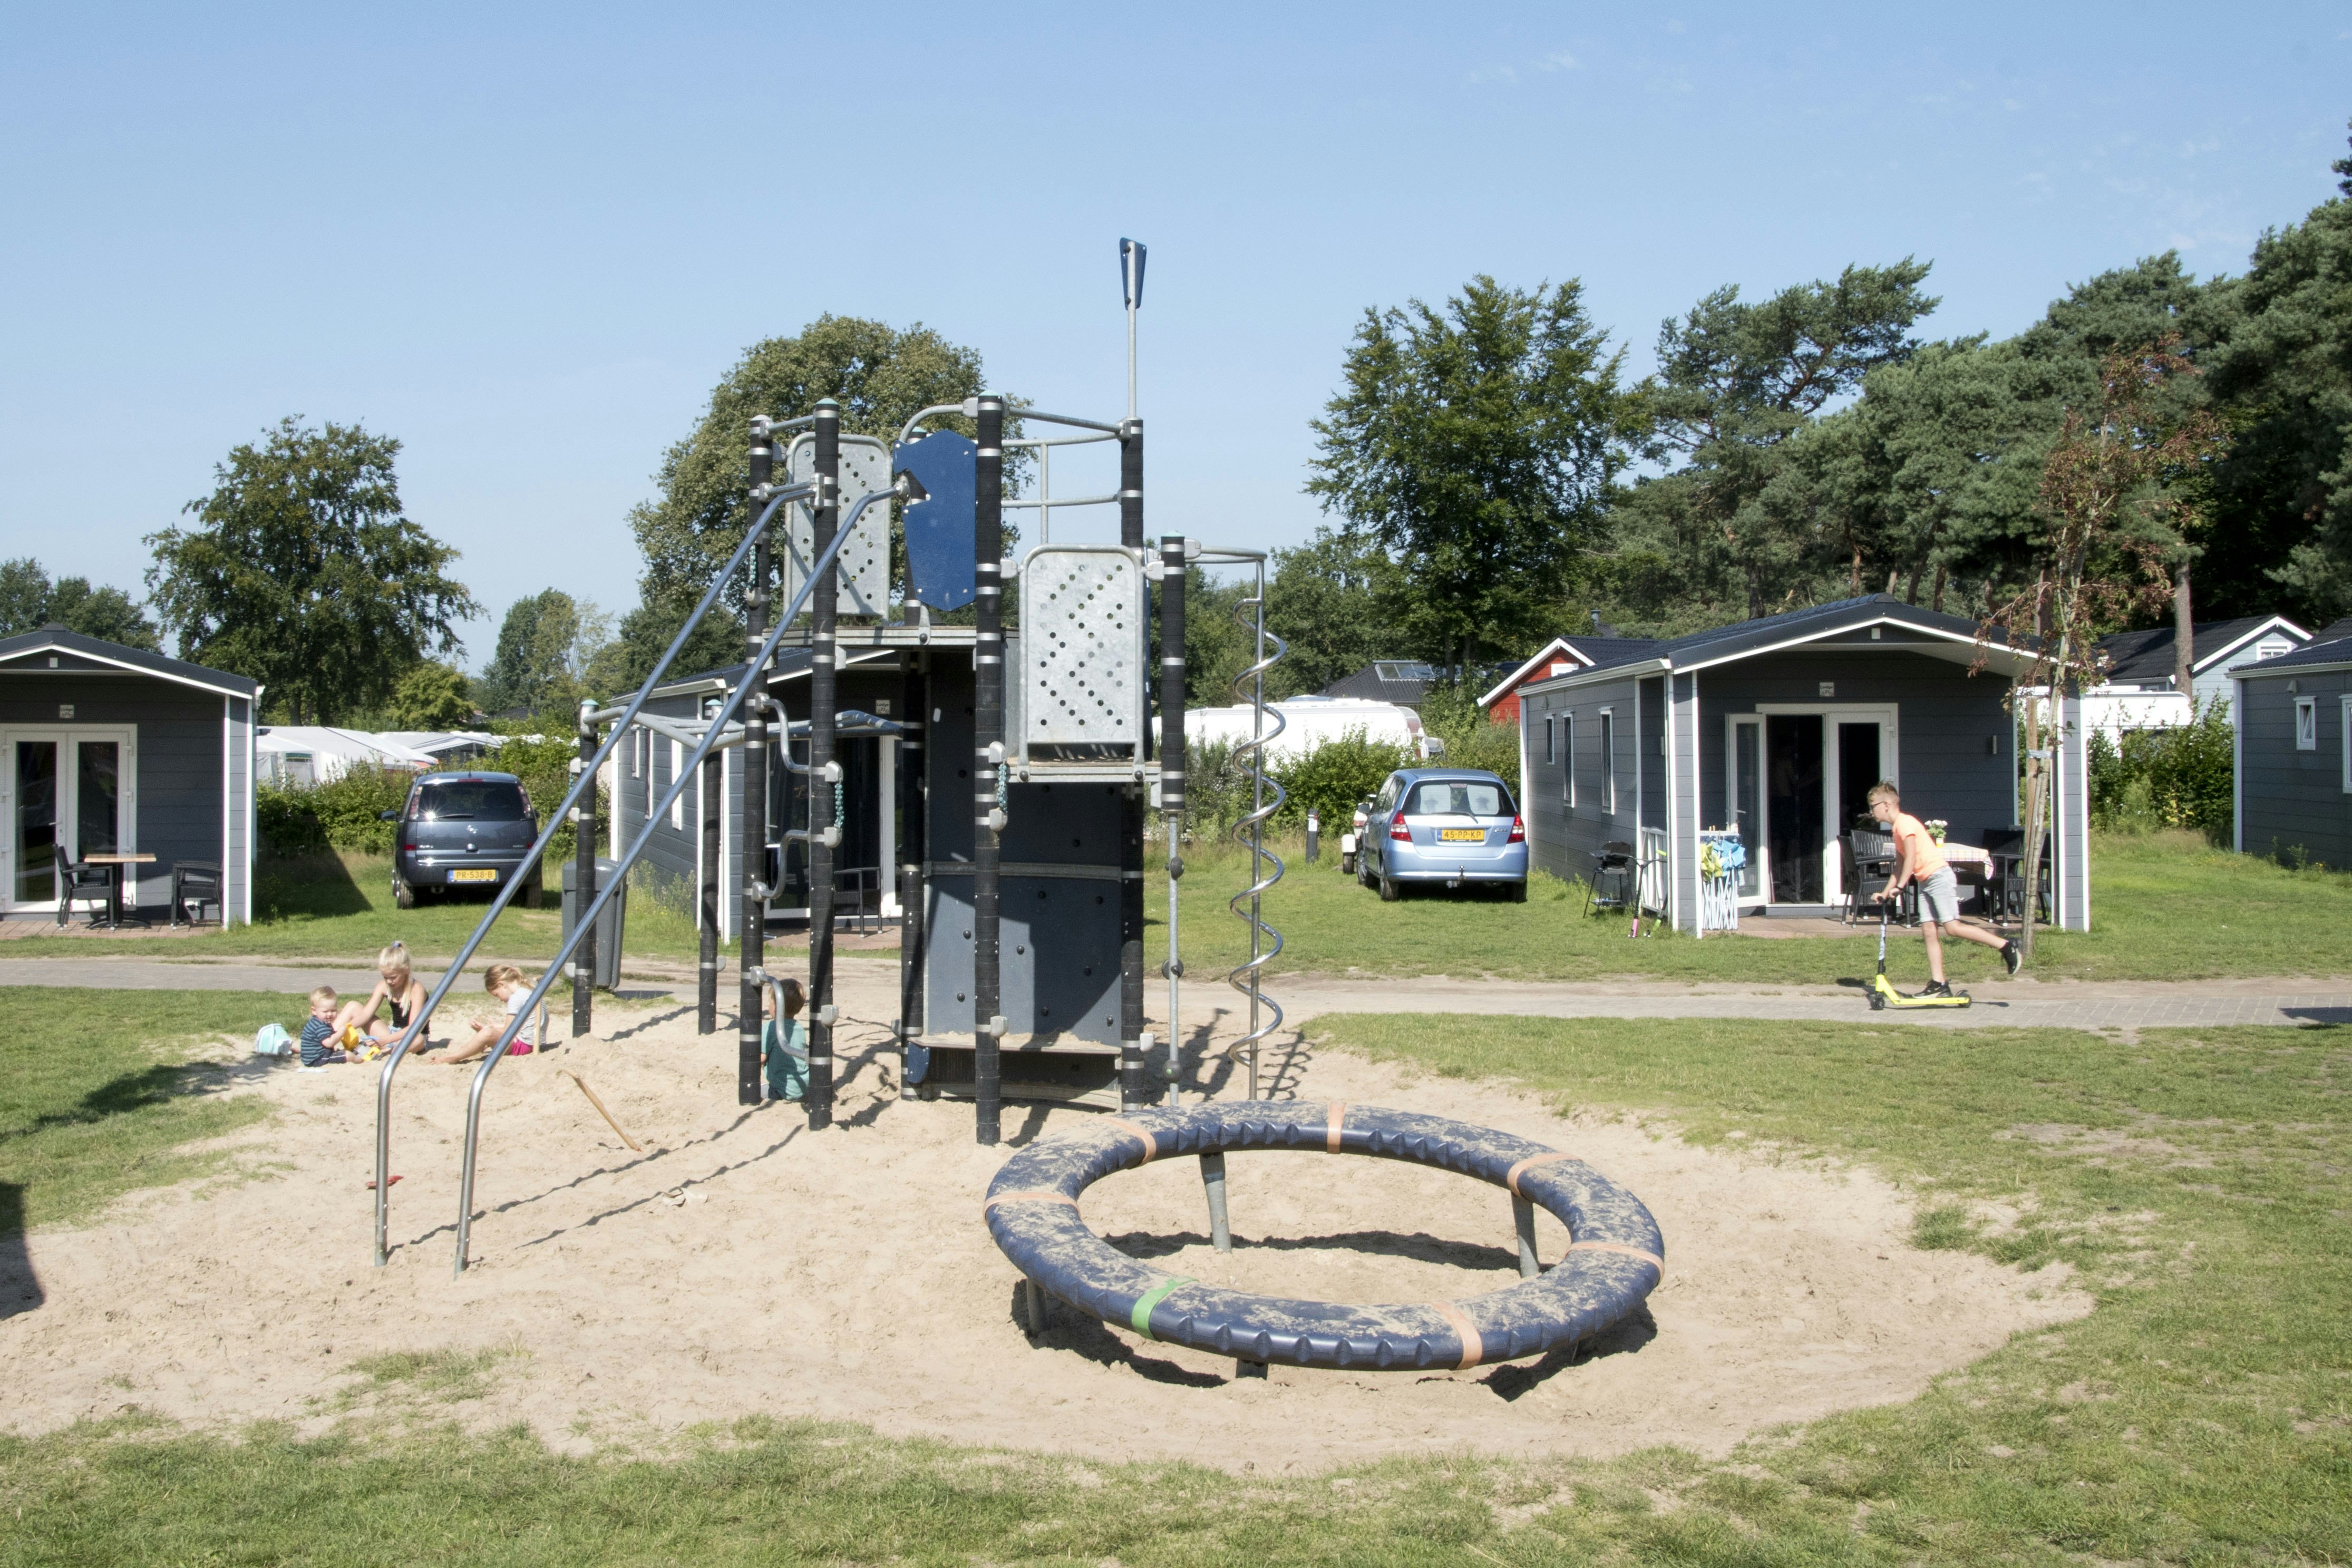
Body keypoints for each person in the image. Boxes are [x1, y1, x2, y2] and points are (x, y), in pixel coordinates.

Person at [1868, 782, 2020, 994]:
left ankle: (2006, 945)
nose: (1871, 811)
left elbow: (1911, 857)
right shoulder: (1897, 829)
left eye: (1873, 805)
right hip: (1925, 880)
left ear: (1886, 805)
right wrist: (1886, 892)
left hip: (1938, 877)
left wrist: (1901, 887)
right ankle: (1939, 984)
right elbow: (1901, 864)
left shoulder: (1905, 823)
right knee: (1929, 931)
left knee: (1953, 927)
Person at [429, 965, 538, 1065]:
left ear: (502, 985)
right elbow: (519, 1025)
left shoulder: (516, 998)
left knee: (487, 1034)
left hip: (523, 1046)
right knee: (489, 1031)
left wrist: (486, 1030)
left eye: (497, 995)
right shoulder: (528, 992)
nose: (500, 1000)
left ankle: (453, 1057)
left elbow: (508, 1032)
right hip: (532, 1042)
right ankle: (472, 1048)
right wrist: (494, 1027)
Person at [335, 941, 432, 1046]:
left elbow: (414, 1027)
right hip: (391, 1033)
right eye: (385, 977)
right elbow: (365, 1015)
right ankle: (328, 1037)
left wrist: (385, 1041)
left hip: (413, 1036)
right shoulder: (383, 986)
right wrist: (345, 1029)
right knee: (353, 1006)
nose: (389, 981)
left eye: (393, 977)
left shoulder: (417, 989)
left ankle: (393, 1049)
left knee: (417, 1040)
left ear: (406, 970)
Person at [763, 976, 809, 1102]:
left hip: (780, 1089)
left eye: (770, 1002)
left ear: (777, 1006)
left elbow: (761, 1058)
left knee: (761, 1089)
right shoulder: (799, 1028)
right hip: (803, 1087)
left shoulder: (770, 1028)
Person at [299, 986, 347, 1067]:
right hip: (317, 1059)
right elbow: (329, 1043)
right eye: (325, 1011)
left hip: (310, 1058)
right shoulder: (321, 1025)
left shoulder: (316, 1021)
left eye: (333, 1011)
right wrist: (341, 1033)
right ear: (314, 1011)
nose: (329, 1014)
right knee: (347, 1055)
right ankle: (360, 1060)